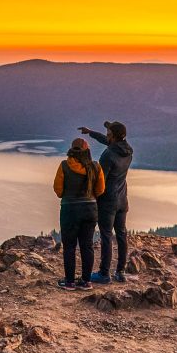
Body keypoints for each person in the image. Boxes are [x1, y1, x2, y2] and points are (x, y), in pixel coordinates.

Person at [78, 121, 133, 283]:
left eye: (109, 133)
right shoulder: (127, 151)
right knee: (121, 234)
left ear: (114, 136)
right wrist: (91, 133)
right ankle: (120, 272)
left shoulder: (108, 155)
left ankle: (104, 274)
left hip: (108, 202)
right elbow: (110, 142)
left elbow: (99, 179)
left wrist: (90, 196)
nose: (107, 135)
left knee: (106, 235)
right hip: (122, 199)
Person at [53, 138, 105, 290]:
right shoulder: (96, 166)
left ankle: (69, 282)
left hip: (70, 210)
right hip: (90, 210)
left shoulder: (64, 165)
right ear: (87, 150)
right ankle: (86, 281)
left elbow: (58, 190)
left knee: (69, 246)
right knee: (86, 245)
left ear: (72, 149)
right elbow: (100, 190)